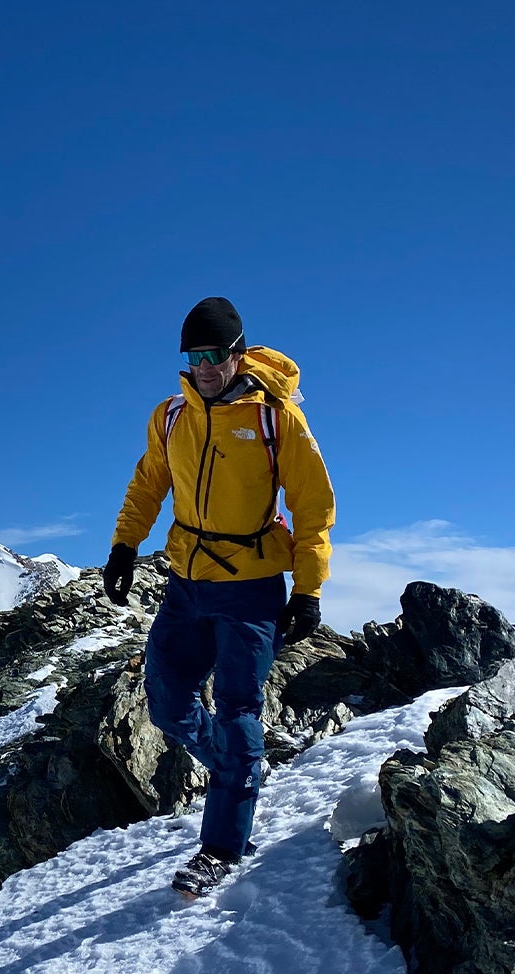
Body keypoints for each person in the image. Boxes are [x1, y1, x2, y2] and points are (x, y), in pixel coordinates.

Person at [101, 296, 336, 899]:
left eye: (213, 355)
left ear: (236, 352)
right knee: (166, 702)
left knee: (236, 711)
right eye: (192, 356)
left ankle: (220, 846)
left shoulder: (275, 417)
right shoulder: (171, 416)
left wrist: (308, 589)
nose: (203, 366)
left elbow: (313, 506)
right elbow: (149, 482)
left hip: (252, 587)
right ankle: (240, 767)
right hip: (185, 582)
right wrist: (125, 547)